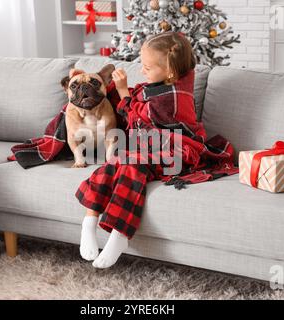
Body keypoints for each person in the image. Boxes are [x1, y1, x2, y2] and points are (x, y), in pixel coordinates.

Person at [76, 31, 235, 269]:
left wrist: (123, 92)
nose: (142, 71)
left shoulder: (173, 97)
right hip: (153, 142)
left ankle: (119, 235)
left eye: (147, 67)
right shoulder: (161, 85)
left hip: (180, 148)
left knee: (131, 164)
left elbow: (137, 119)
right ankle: (88, 222)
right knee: (116, 161)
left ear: (169, 71)